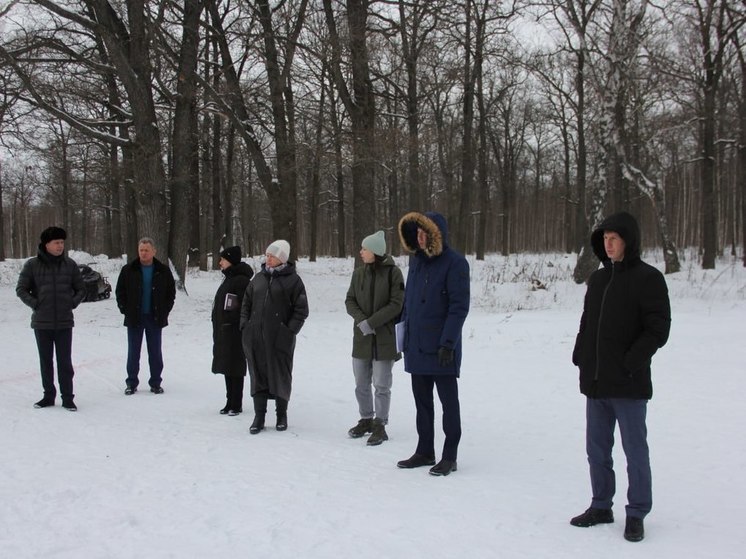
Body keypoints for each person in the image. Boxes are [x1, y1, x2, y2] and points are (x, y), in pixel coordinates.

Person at [570, 211, 671, 543]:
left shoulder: (648, 278)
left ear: (629, 241)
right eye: (604, 238)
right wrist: (580, 354)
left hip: (628, 384)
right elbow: (588, 322)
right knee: (597, 450)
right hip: (596, 383)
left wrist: (631, 362)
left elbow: (657, 329)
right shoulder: (598, 280)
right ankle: (601, 505)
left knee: (634, 451)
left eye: (613, 238)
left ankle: (637, 512)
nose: (607, 243)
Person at [395, 212, 470, 476]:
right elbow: (409, 303)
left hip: (441, 349)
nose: (419, 236)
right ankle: (425, 450)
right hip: (416, 346)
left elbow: (459, 307)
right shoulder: (416, 262)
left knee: (448, 403)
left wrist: (448, 342)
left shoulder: (455, 263)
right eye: (416, 232)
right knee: (422, 403)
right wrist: (402, 335)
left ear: (437, 233)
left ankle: (450, 455)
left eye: (424, 232)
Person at [240, 240, 309, 434]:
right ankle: (259, 416)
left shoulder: (293, 281)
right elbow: (246, 303)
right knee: (258, 375)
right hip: (255, 338)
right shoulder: (258, 279)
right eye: (267, 255)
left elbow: (301, 310)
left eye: (272, 255)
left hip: (280, 339)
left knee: (281, 375)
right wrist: (245, 326)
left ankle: (281, 415)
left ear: (282, 258)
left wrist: (288, 332)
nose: (267, 258)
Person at [344, 230, 405, 446]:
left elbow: (396, 304)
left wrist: (373, 322)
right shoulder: (358, 273)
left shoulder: (393, 274)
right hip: (361, 338)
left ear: (376, 252)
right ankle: (366, 419)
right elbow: (350, 300)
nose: (361, 252)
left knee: (381, 384)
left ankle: (380, 424)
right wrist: (362, 321)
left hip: (384, 339)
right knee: (361, 383)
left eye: (364, 249)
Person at [16, 226, 85, 411]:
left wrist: (72, 303)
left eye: (62, 242)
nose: (60, 246)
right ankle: (48, 396)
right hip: (42, 323)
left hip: (64, 322)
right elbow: (21, 289)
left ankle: (68, 398)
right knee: (45, 362)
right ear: (46, 244)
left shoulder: (69, 265)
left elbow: (81, 289)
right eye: (57, 242)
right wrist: (36, 303)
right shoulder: (32, 265)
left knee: (65, 362)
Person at [115, 237, 176, 395]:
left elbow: (171, 293)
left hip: (155, 317)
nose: (143, 253)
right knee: (133, 352)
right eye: (141, 250)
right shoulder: (129, 270)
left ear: (154, 251)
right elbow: (120, 292)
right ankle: (131, 382)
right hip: (135, 317)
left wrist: (165, 310)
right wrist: (125, 309)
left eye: (146, 250)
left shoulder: (162, 270)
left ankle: (156, 382)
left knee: (155, 352)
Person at [212, 246, 254, 415]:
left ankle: (236, 403)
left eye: (222, 259)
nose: (220, 262)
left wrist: (233, 320)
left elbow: (245, 306)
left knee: (235, 366)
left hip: (235, 331)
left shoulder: (241, 280)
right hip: (224, 330)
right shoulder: (228, 278)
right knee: (226, 366)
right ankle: (229, 400)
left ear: (230, 260)